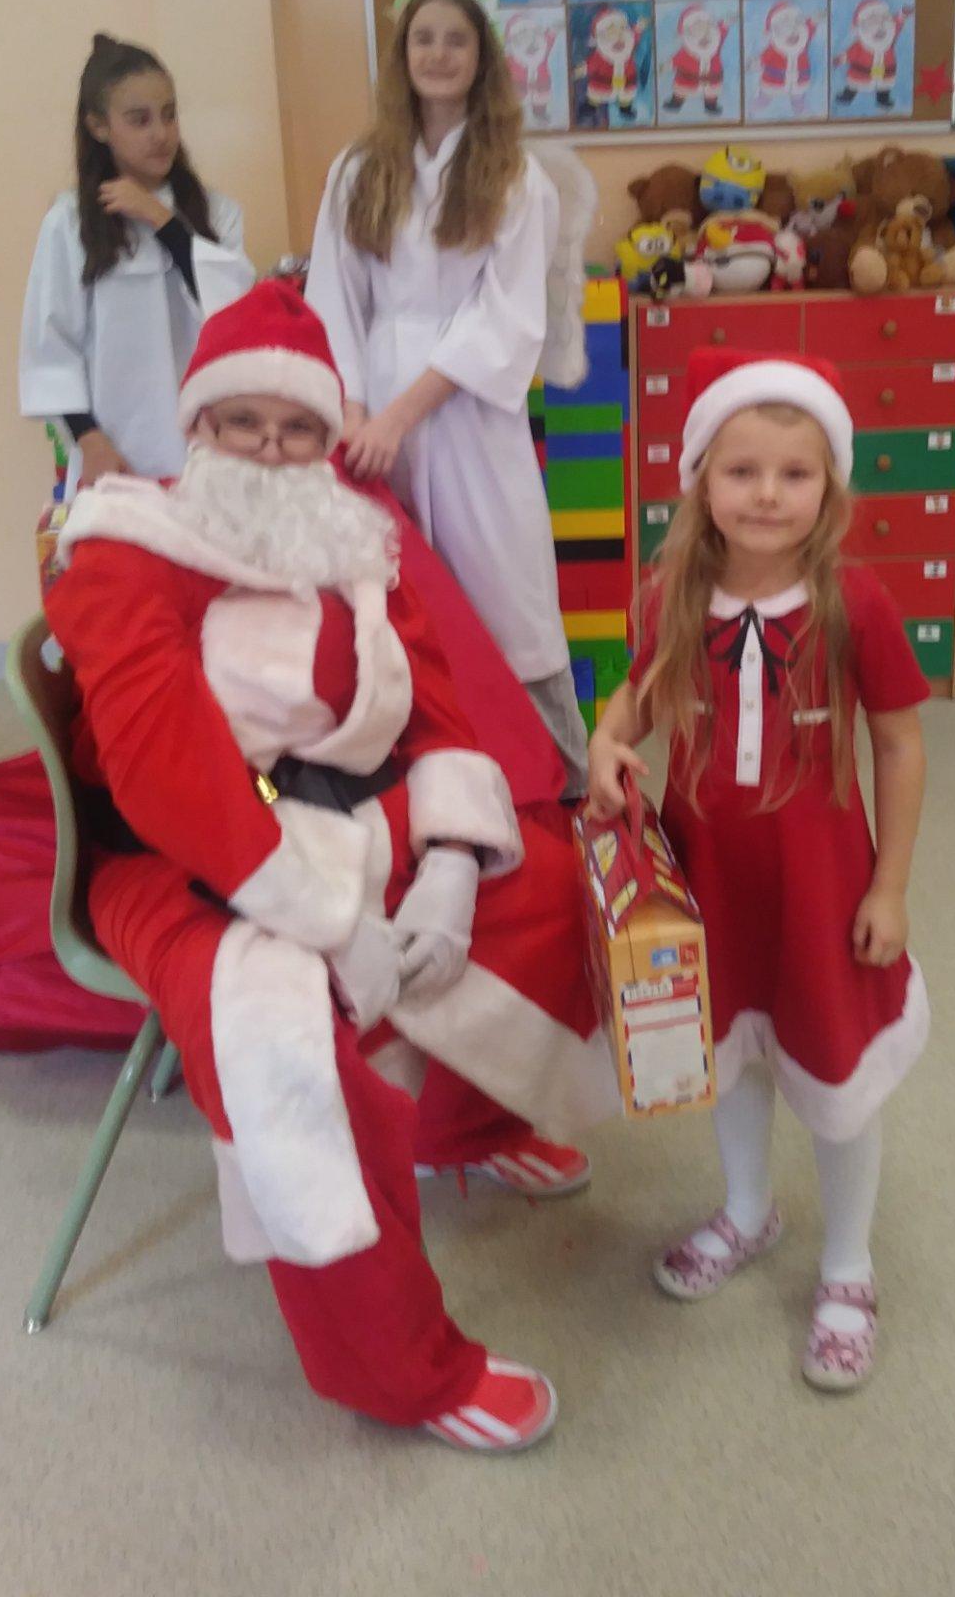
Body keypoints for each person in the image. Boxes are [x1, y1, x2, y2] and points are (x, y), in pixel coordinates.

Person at [46, 280, 616, 1451]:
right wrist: (322, 916)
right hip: (180, 855)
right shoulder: (125, 548)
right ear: (198, 424)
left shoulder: (353, 543)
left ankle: (467, 1123)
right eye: (242, 421)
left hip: (348, 812)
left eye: (299, 426)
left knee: (545, 882)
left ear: (326, 437)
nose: (271, 447)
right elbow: (163, 769)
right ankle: (402, 1368)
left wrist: (450, 858)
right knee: (284, 1031)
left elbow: (436, 706)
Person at [587, 348, 931, 1391]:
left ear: (830, 485)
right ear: (701, 479)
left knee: (835, 1075)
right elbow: (642, 692)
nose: (768, 493)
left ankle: (848, 1266)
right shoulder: (670, 592)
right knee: (726, 1055)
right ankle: (747, 1209)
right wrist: (607, 737)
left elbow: (900, 744)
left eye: (795, 472)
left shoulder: (854, 602)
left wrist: (890, 886)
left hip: (821, 889)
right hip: (710, 885)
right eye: (742, 471)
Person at [304, 0, 588, 795]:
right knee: (394, 602)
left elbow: (505, 318)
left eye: (455, 40)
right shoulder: (359, 170)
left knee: (506, 594)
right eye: (422, 38)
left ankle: (557, 782)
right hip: (370, 416)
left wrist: (399, 416)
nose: (437, 53)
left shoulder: (515, 176)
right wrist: (354, 413)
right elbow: (333, 300)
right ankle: (425, 784)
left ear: (480, 59)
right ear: (402, 57)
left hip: (468, 415)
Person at [19, 33, 254, 491]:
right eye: (139, 120)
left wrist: (161, 220)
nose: (160, 133)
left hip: (209, 451)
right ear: (98, 126)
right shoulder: (69, 223)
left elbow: (235, 315)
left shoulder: (216, 213)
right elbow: (51, 348)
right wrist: (90, 441)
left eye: (169, 114)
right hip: (115, 455)